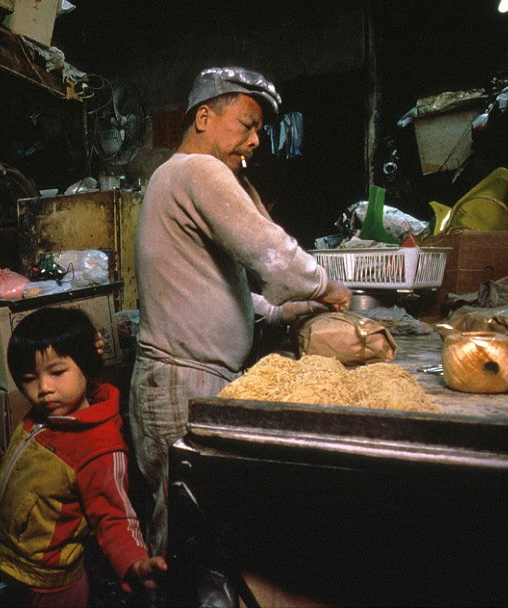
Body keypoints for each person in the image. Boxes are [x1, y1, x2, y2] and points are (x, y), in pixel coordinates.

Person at [130, 66, 352, 557]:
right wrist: (331, 288)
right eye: (246, 125)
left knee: (189, 530)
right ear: (204, 117)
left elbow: (210, 286)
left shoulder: (175, 178)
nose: (255, 141)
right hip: (182, 382)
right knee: (184, 543)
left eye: (259, 131)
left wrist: (277, 312)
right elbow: (268, 250)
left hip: (182, 379)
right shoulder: (197, 170)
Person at [0, 307, 167, 607]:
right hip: (13, 563)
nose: (44, 388)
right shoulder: (46, 416)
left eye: (57, 373)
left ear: (86, 365)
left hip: (53, 586)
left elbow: (115, 517)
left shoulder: (99, 447)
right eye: (29, 379)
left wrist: (134, 563)